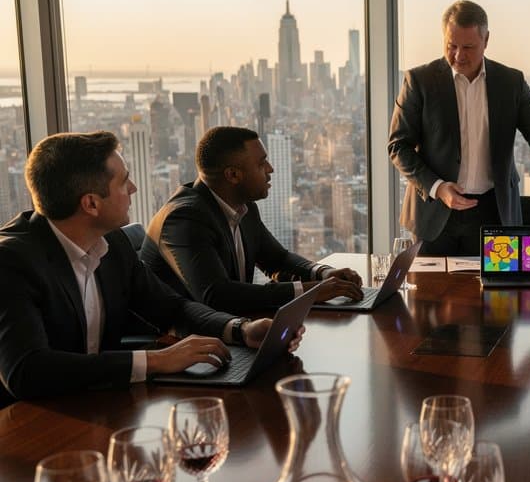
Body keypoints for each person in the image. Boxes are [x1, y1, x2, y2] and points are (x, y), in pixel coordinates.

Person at [0, 131, 292, 402]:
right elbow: (27, 370)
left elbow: (171, 307)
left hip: (98, 403)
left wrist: (241, 329)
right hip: (28, 421)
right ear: (91, 204)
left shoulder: (111, 242)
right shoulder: (11, 262)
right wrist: (155, 361)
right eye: (123, 182)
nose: (133, 188)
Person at [387, 0, 530, 256]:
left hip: (493, 213)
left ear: (486, 40)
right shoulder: (419, 81)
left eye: (468, 47)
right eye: (451, 45)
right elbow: (398, 146)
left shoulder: (510, 82)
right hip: (433, 212)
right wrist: (438, 187)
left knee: (496, 284)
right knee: (429, 284)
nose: (458, 55)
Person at [141, 126, 363, 315]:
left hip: (231, 329)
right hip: (178, 342)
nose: (270, 169)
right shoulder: (185, 219)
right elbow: (217, 296)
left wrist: (323, 273)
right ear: (233, 175)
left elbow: (277, 259)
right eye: (261, 163)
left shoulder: (244, 207)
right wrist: (311, 291)